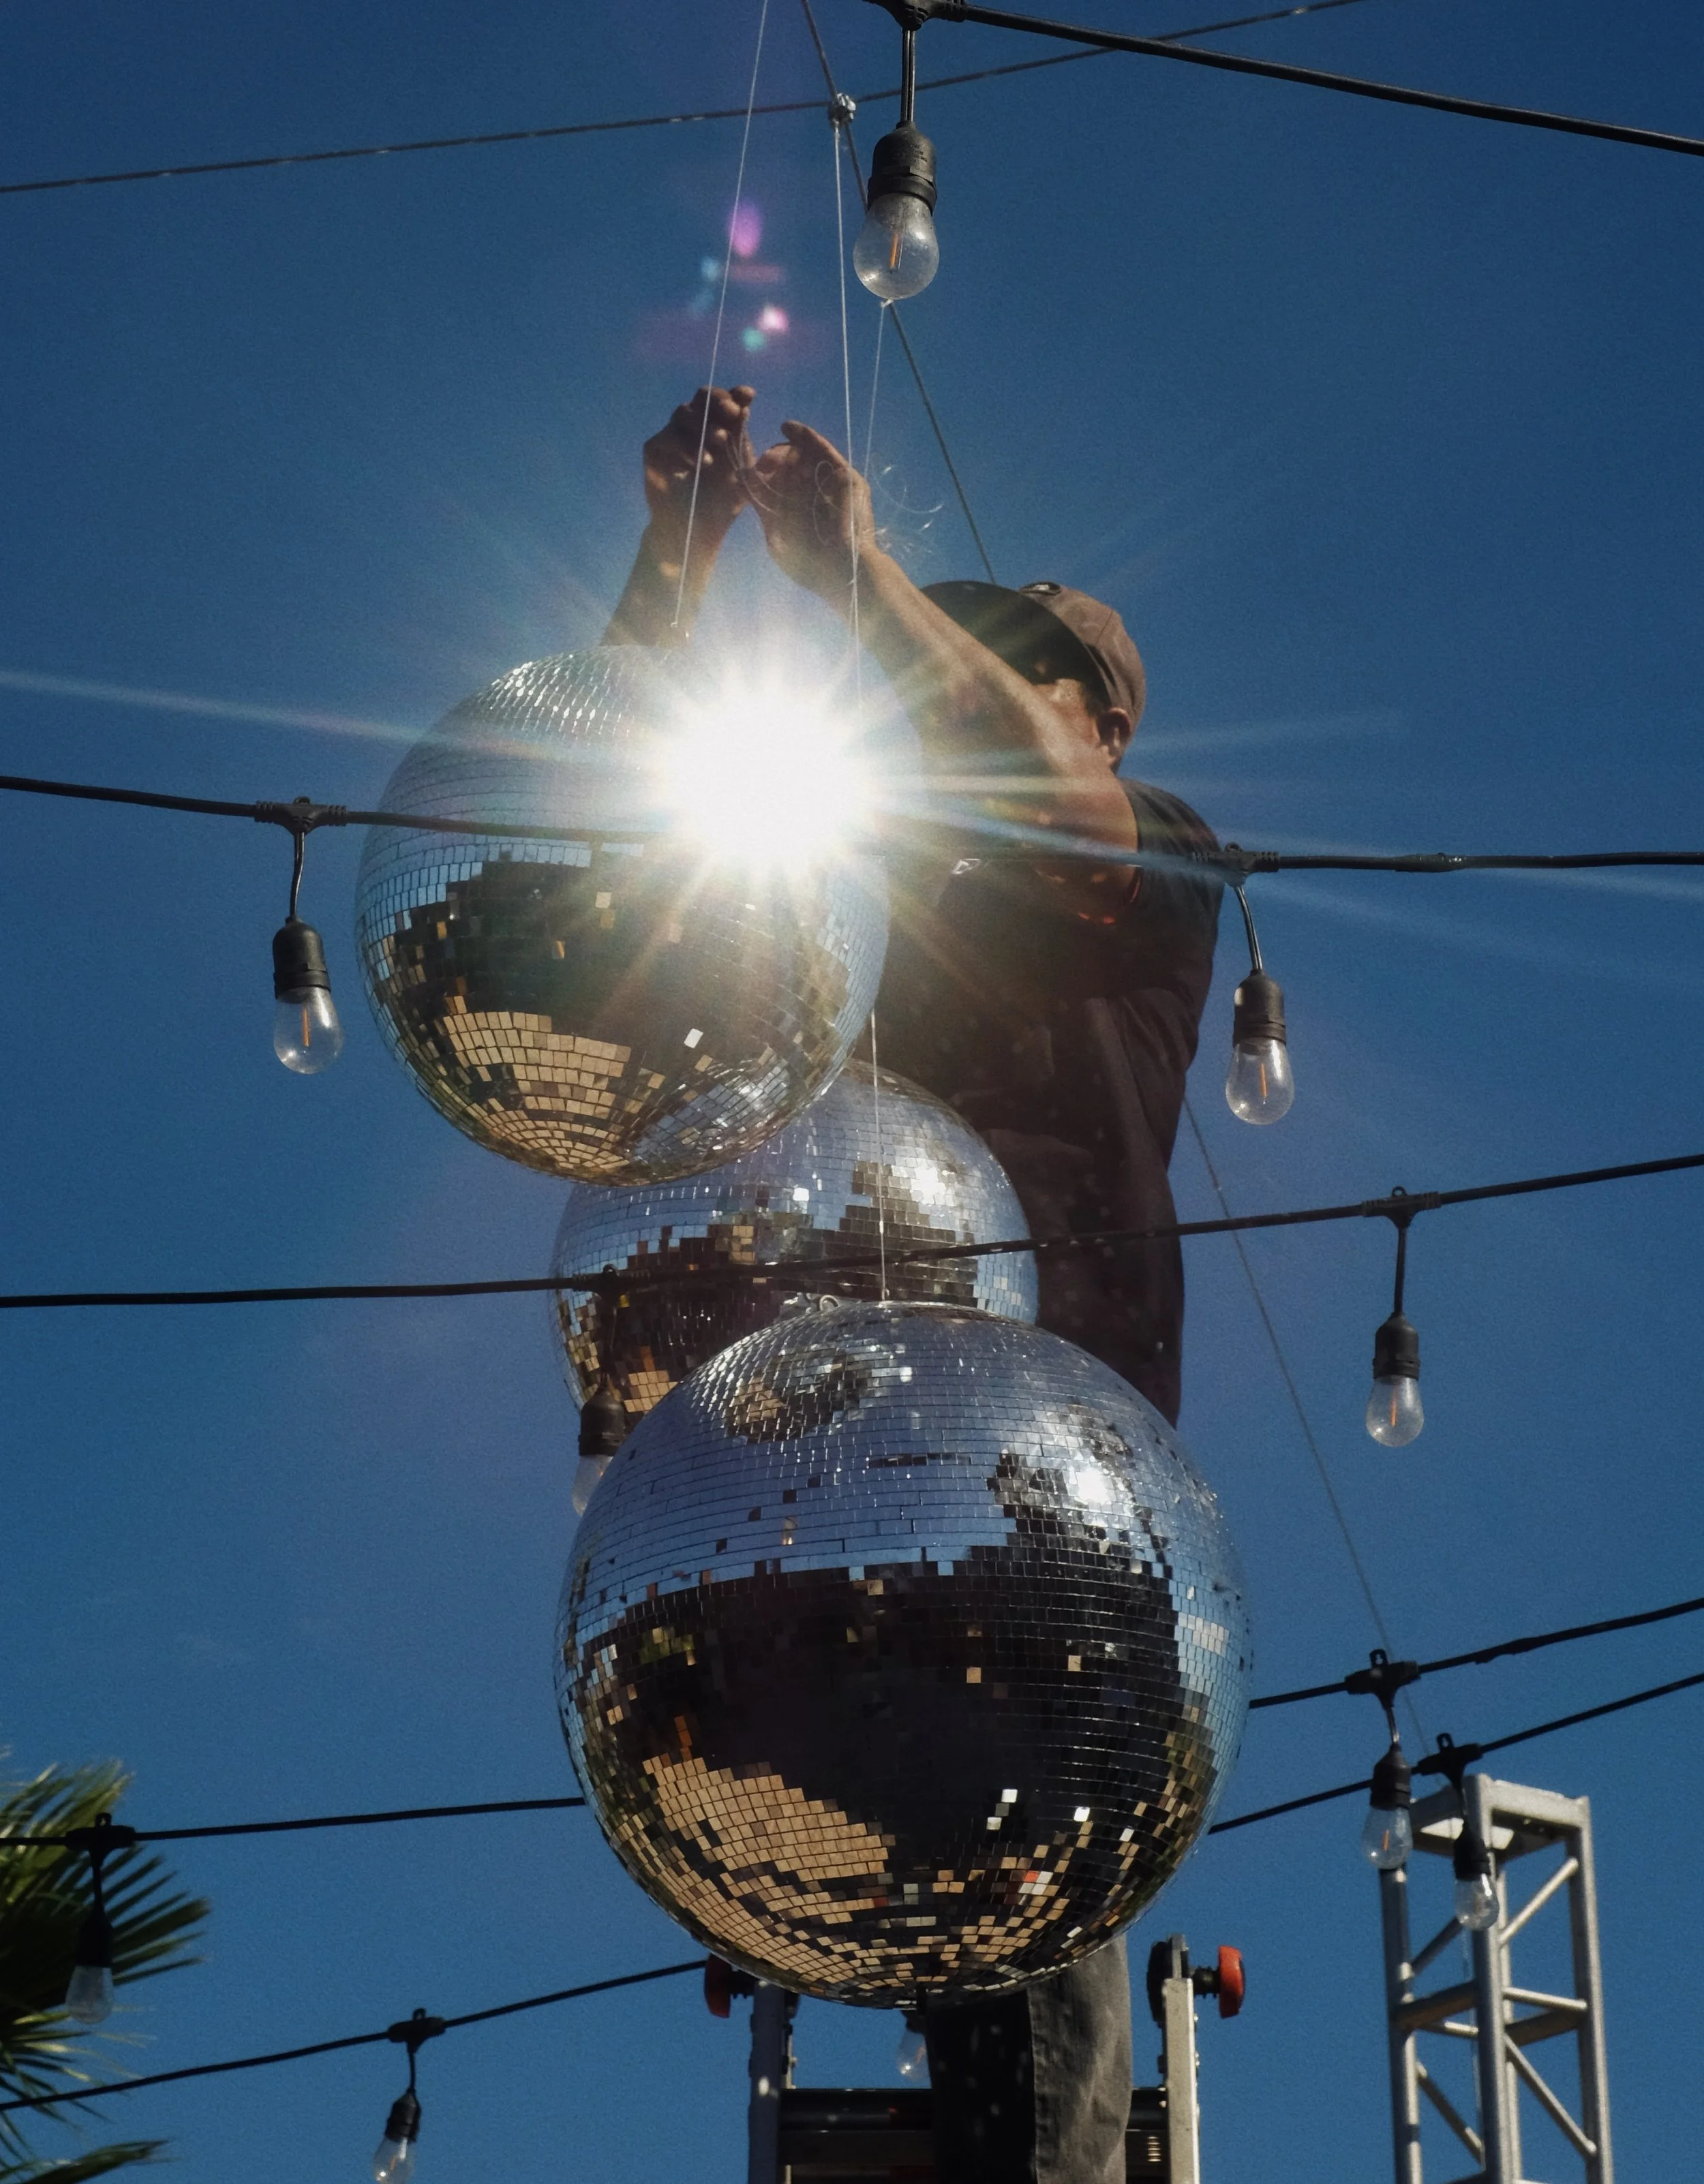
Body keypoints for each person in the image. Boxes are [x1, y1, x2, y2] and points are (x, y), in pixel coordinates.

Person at [608, 387, 1223, 2184]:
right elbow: (621, 902)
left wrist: (862, 572)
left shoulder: (1149, 848)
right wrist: (678, 556)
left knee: (1033, 1993)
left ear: (1089, 711)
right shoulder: (899, 948)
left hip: (1040, 1506)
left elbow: (1052, 800)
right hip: (869, 1492)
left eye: (999, 673)